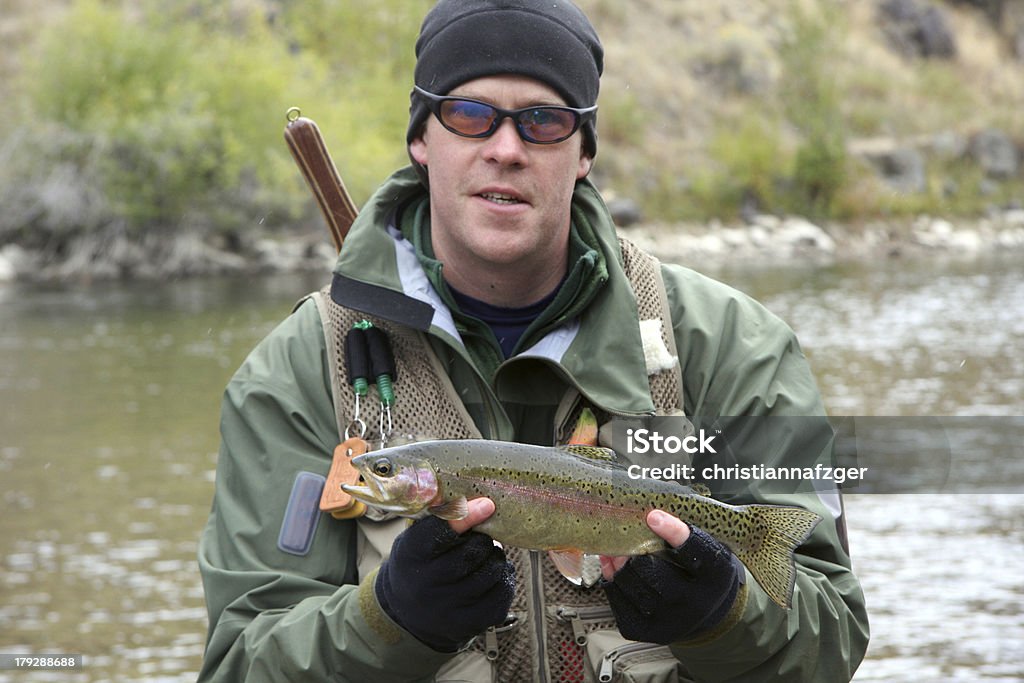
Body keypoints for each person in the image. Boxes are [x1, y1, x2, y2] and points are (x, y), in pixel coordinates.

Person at [197, 1, 869, 680]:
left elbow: (831, 640)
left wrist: (724, 610)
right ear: (421, 139)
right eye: (468, 114)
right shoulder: (297, 373)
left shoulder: (730, 346)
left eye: (543, 121)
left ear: (583, 154)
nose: (505, 149)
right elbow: (239, 663)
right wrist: (388, 622)